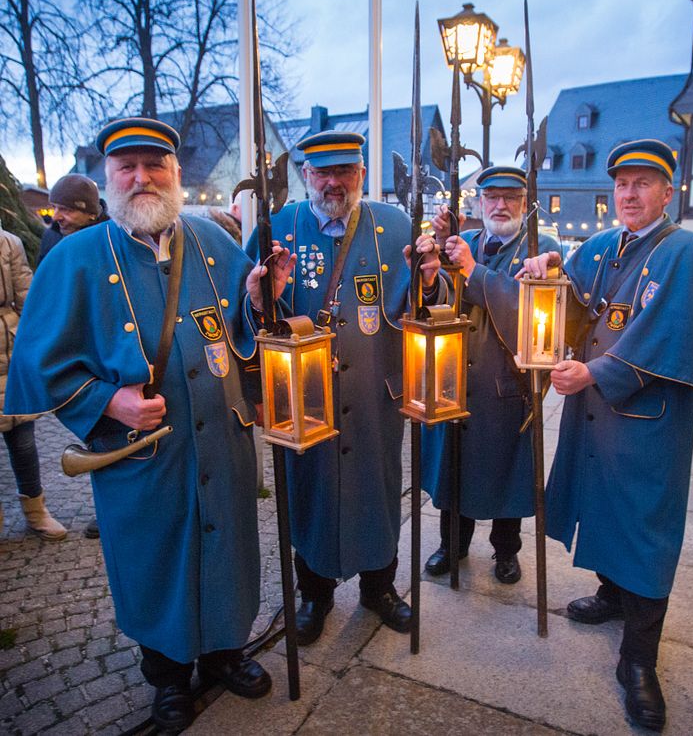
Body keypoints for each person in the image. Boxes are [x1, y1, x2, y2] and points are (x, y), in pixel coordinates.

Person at [5, 117, 295, 733]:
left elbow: (243, 338)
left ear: (176, 174)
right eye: (126, 167)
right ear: (108, 177)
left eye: (154, 165)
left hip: (223, 444)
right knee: (153, 560)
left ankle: (223, 654)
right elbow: (38, 363)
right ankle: (166, 679)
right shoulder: (75, 259)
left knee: (226, 552)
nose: (142, 178)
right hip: (141, 457)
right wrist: (110, 403)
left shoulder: (213, 242)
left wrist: (260, 296)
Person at [520, 139, 693, 732]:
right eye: (622, 184)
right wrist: (549, 266)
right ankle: (612, 595)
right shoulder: (606, 245)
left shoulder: (686, 251)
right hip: (595, 419)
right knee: (606, 510)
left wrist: (595, 372)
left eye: (643, 183)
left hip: (647, 426)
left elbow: (670, 332)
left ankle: (639, 661)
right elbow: (572, 290)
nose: (629, 194)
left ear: (668, 191)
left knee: (645, 530)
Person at [247, 131, 445, 646]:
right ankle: (314, 595)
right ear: (306, 175)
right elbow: (246, 314)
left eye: (346, 172)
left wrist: (429, 283)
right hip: (302, 400)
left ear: (361, 174)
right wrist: (263, 298)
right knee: (308, 494)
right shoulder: (278, 228)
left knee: (378, 491)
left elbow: (423, 308)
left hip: (376, 400)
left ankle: (379, 589)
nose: (334, 182)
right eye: (322, 172)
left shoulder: (395, 226)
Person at [422, 166, 559, 582]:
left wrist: (473, 272)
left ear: (524, 203)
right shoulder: (465, 243)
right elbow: (440, 304)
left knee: (506, 477)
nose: (501, 205)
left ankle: (506, 553)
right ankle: (452, 545)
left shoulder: (542, 249)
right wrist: (432, 277)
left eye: (511, 198)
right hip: (456, 383)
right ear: (480, 203)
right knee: (454, 473)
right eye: (492, 198)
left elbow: (529, 314)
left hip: (506, 387)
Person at [39, 173, 110, 540]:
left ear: (88, 211)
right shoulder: (53, 237)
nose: (58, 215)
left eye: (66, 208)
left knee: (113, 434)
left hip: (106, 351)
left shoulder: (110, 237)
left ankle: (110, 508)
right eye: (56, 207)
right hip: (74, 350)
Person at [0, 220, 66, 541]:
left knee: (23, 440)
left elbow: (27, 296)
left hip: (9, 351)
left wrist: (39, 343)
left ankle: (36, 510)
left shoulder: (8, 243)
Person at [38, 173, 108, 264]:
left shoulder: (110, 239)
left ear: (91, 214)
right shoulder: (51, 235)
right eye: (54, 207)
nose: (55, 217)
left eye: (66, 210)